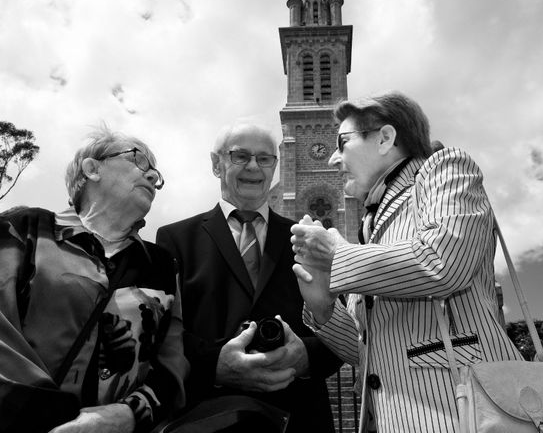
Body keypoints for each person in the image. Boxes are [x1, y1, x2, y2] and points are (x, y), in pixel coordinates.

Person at [290, 92, 523, 433]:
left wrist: (338, 255)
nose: (334, 160)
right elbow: (366, 354)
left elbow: (444, 262)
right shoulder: (370, 226)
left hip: (463, 416)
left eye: (343, 142)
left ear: (385, 138)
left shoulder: (444, 169)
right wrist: (324, 307)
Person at [0, 127, 188, 433]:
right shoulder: (25, 228)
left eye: (156, 173)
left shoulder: (162, 266)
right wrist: (50, 419)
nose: (153, 176)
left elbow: (172, 365)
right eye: (139, 161)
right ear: (92, 169)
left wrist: (128, 415)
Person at [156, 124, 341, 433]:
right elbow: (163, 335)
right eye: (240, 156)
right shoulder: (175, 238)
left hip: (300, 418)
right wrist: (215, 366)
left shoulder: (309, 239)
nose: (254, 166)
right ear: (217, 164)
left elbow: (342, 333)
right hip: (208, 418)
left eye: (265, 159)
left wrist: (304, 357)